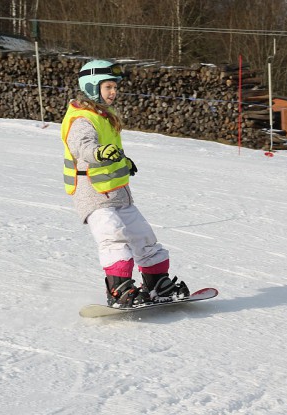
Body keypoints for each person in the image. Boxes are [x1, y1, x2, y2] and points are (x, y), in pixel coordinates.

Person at [60, 59, 190, 307]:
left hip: (117, 191)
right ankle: (119, 289)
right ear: (91, 86)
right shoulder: (81, 118)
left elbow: (110, 147)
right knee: (113, 236)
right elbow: (83, 146)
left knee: (143, 235)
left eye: (115, 87)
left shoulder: (104, 115)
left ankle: (156, 283)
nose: (114, 92)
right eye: (108, 87)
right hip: (92, 192)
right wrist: (99, 153)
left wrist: (122, 160)